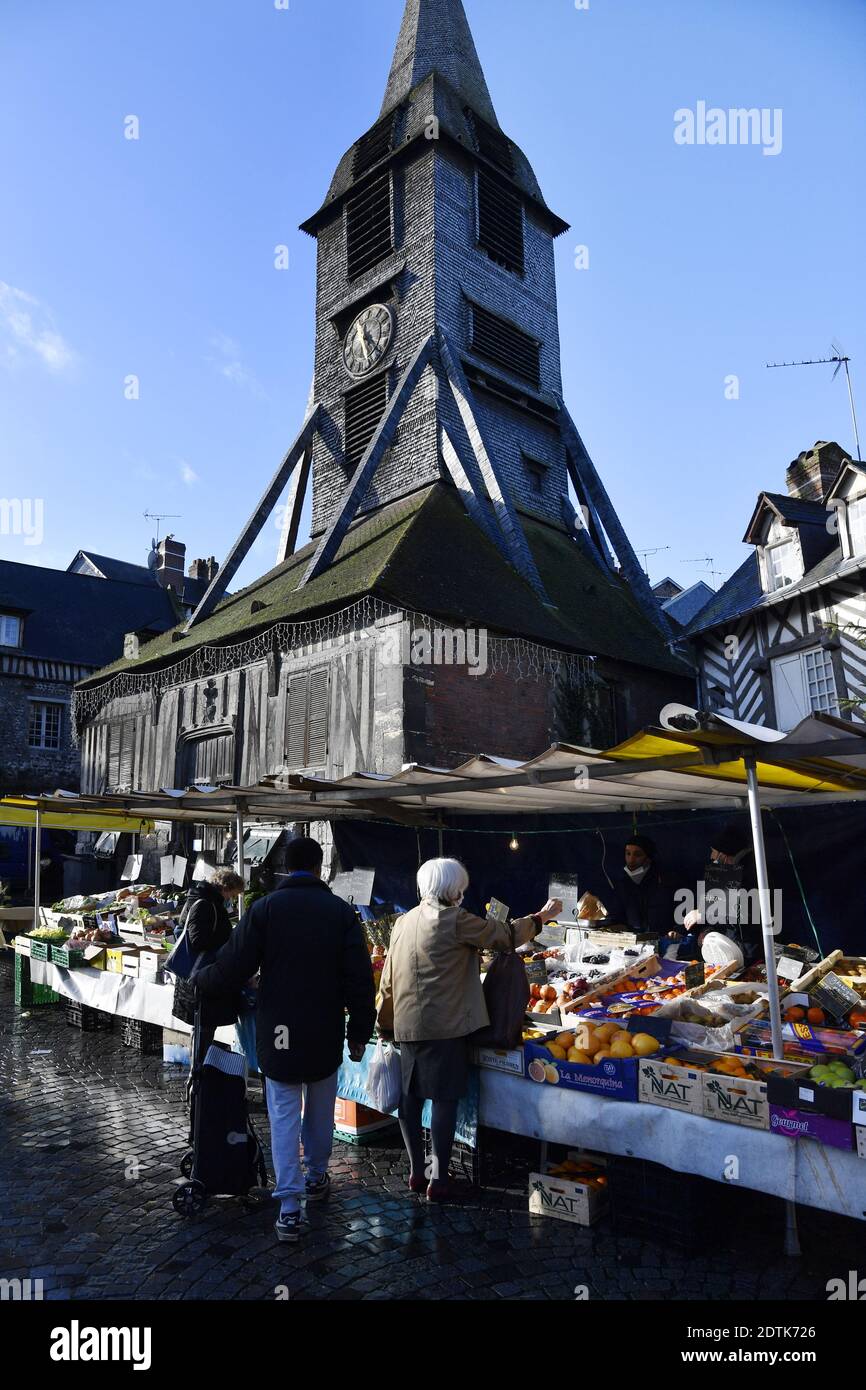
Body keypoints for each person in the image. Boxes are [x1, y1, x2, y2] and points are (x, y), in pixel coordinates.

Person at [194, 837, 375, 1244]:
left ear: (285, 867)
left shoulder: (265, 909)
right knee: (320, 1107)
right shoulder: (341, 913)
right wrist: (360, 1033)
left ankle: (289, 1207)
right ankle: (316, 1174)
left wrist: (201, 981)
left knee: (283, 1113)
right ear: (319, 866)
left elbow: (233, 965)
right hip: (325, 1026)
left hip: (278, 1029)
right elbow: (360, 980)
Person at [376, 858, 562, 1202]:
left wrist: (384, 1023)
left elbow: (388, 978)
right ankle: (439, 1179)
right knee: (444, 1099)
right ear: (454, 889)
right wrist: (541, 917)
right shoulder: (455, 920)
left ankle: (418, 1171)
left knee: (411, 1098)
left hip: (406, 1022)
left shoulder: (404, 921)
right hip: (444, 1025)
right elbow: (505, 937)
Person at [171, 868, 245, 1053]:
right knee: (203, 1031)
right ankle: (198, 1075)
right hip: (201, 979)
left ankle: (198, 1072)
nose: (233, 899)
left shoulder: (203, 901)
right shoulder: (205, 904)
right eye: (233, 894)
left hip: (202, 978)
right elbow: (198, 940)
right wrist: (229, 942)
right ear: (225, 888)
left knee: (203, 1030)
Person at [672, 821, 760, 958]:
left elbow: (746, 913)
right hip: (730, 946)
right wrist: (707, 929)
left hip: (749, 951)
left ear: (724, 855)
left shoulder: (753, 872)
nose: (711, 856)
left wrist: (704, 914)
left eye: (714, 852)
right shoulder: (725, 871)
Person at [603, 835, 675, 949]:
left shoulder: (664, 882)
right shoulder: (622, 884)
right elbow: (618, 917)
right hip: (632, 947)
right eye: (628, 854)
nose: (631, 860)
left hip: (664, 945)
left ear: (648, 858)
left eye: (637, 855)